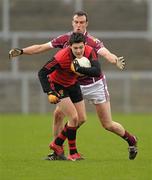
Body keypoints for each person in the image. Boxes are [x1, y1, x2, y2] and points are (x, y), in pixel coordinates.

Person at [9, 11, 137, 160]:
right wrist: (23, 51)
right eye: (76, 22)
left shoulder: (92, 42)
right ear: (72, 23)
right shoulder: (65, 39)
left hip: (95, 85)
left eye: (82, 22)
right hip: (74, 84)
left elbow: (106, 53)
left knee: (107, 124)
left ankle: (131, 140)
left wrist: (115, 60)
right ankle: (58, 151)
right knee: (60, 114)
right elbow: (41, 47)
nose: (78, 25)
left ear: (86, 24)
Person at [38, 32, 101, 161]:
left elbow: (97, 71)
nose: (78, 51)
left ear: (85, 45)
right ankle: (73, 153)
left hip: (73, 83)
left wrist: (79, 69)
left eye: (81, 47)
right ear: (70, 47)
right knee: (73, 117)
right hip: (58, 85)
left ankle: (57, 144)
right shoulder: (61, 56)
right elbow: (42, 72)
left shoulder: (90, 51)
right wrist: (49, 92)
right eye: (75, 48)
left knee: (82, 119)